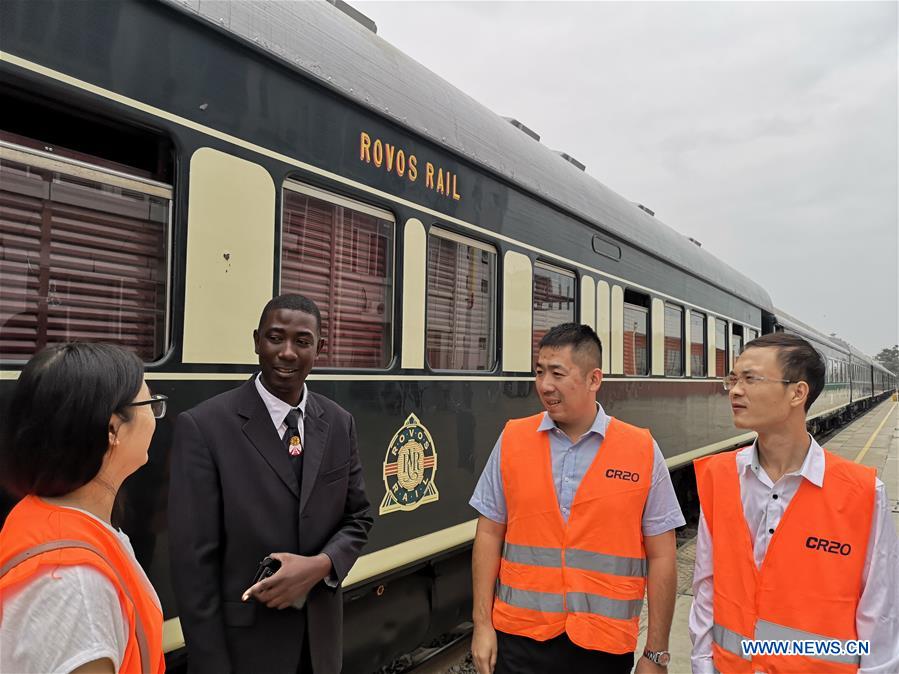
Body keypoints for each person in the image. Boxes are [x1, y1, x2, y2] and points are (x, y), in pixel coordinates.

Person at [168, 293, 373, 674]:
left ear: (320, 349)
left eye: (302, 341)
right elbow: (193, 565)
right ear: (256, 341)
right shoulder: (205, 427)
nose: (287, 353)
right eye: (275, 338)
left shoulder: (339, 422)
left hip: (319, 647)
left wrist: (320, 566)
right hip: (244, 651)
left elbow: (358, 517)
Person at [470, 323, 684, 674]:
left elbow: (662, 554)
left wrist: (656, 653)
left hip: (603, 646)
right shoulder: (512, 439)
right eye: (539, 372)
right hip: (520, 638)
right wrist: (481, 625)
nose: (545, 385)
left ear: (593, 379)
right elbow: (489, 532)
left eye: (557, 373)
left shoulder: (641, 449)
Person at [689, 332, 899, 673]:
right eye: (733, 378)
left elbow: (882, 619)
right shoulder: (719, 477)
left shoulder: (863, 494)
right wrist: (701, 666)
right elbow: (705, 590)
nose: (735, 390)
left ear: (797, 393)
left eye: (750, 379)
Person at [0, 342, 166, 674]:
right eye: (151, 402)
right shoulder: (76, 588)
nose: (158, 414)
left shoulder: (43, 514)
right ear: (112, 429)